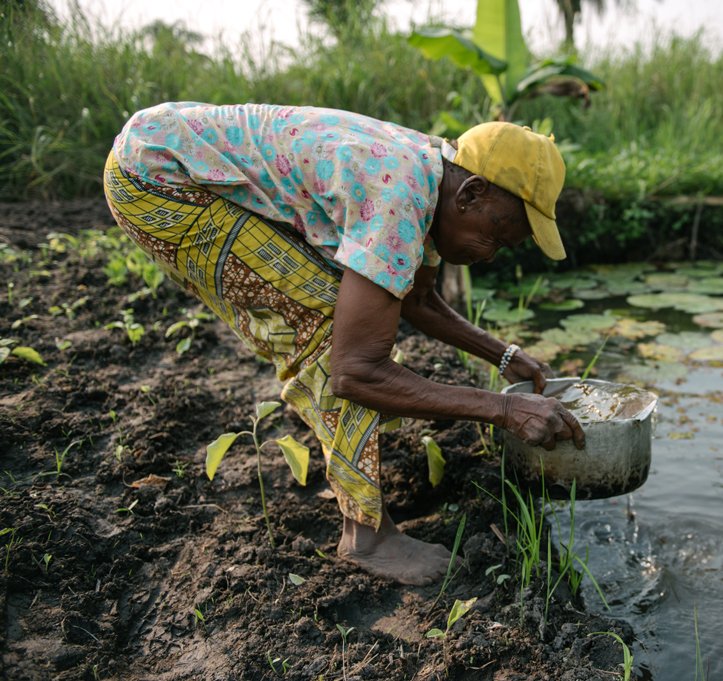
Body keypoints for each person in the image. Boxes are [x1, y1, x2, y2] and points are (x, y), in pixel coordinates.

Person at [102, 102, 586, 585]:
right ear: (472, 194)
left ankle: (352, 485)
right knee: (334, 322)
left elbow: (416, 298)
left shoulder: (435, 173)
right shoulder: (400, 197)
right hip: (158, 180)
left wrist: (503, 355)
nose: (489, 255)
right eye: (496, 237)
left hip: (160, 152)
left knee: (358, 312)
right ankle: (366, 538)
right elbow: (356, 371)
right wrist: (502, 410)